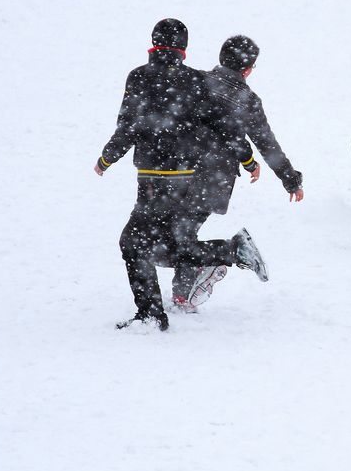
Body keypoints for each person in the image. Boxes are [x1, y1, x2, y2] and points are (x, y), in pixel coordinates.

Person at [94, 18, 269, 331]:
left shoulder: (139, 77)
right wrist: (247, 158)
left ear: (153, 43)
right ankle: (231, 250)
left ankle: (151, 315)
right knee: (168, 245)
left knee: (135, 244)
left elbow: (127, 125)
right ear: (183, 50)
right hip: (184, 178)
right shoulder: (193, 80)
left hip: (150, 178)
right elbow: (223, 124)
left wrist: (107, 157)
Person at [169, 35, 305, 312]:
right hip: (213, 179)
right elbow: (267, 144)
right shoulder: (248, 100)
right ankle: (189, 287)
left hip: (177, 170)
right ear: (248, 69)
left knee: (178, 234)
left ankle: (189, 288)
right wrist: (290, 178)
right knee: (182, 233)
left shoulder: (195, 81)